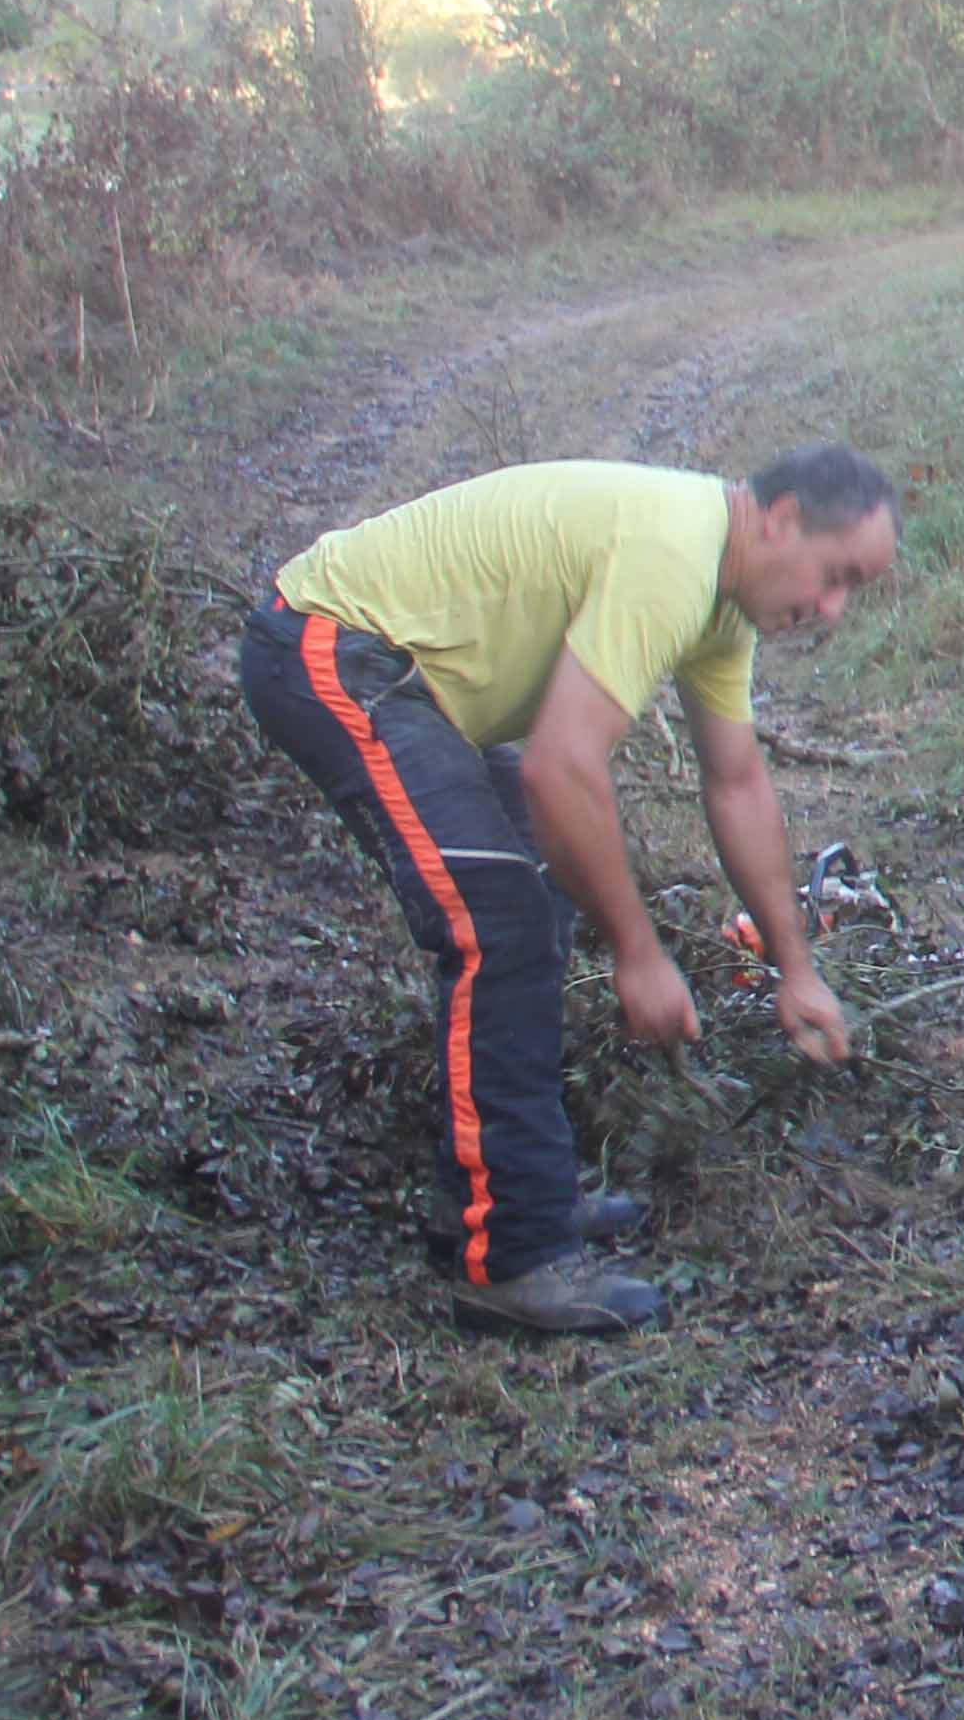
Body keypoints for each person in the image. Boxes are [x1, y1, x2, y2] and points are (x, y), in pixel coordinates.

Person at [236, 447, 904, 1333]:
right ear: (778, 519)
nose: (831, 610)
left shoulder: (722, 603)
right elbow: (560, 767)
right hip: (334, 647)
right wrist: (637, 953)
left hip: (408, 683)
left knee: (534, 892)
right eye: (835, 577)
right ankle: (510, 1257)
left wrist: (797, 969)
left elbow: (737, 782)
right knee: (497, 921)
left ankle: (512, 1187)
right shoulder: (676, 551)